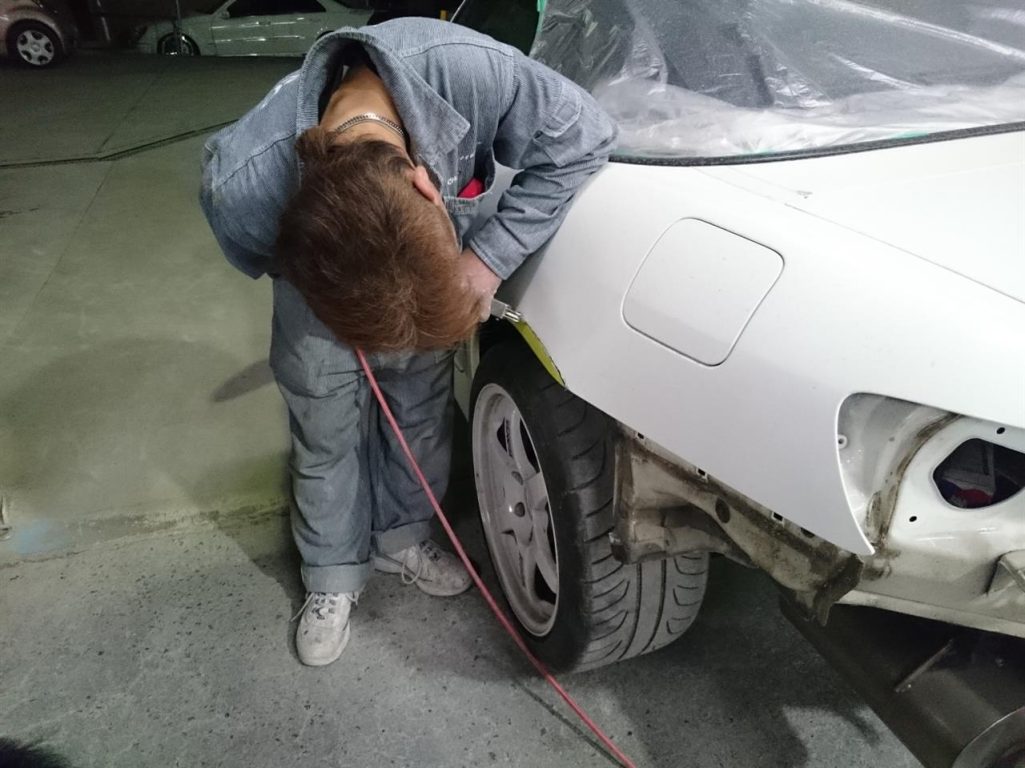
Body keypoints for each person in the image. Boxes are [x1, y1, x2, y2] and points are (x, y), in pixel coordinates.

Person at [199, 17, 616, 667]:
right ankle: (331, 574)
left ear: (428, 183)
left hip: (424, 266)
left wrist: (484, 260)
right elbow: (259, 258)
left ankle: (400, 539)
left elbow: (585, 137)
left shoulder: (472, 71)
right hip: (316, 290)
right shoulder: (243, 187)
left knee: (420, 412)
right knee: (326, 435)